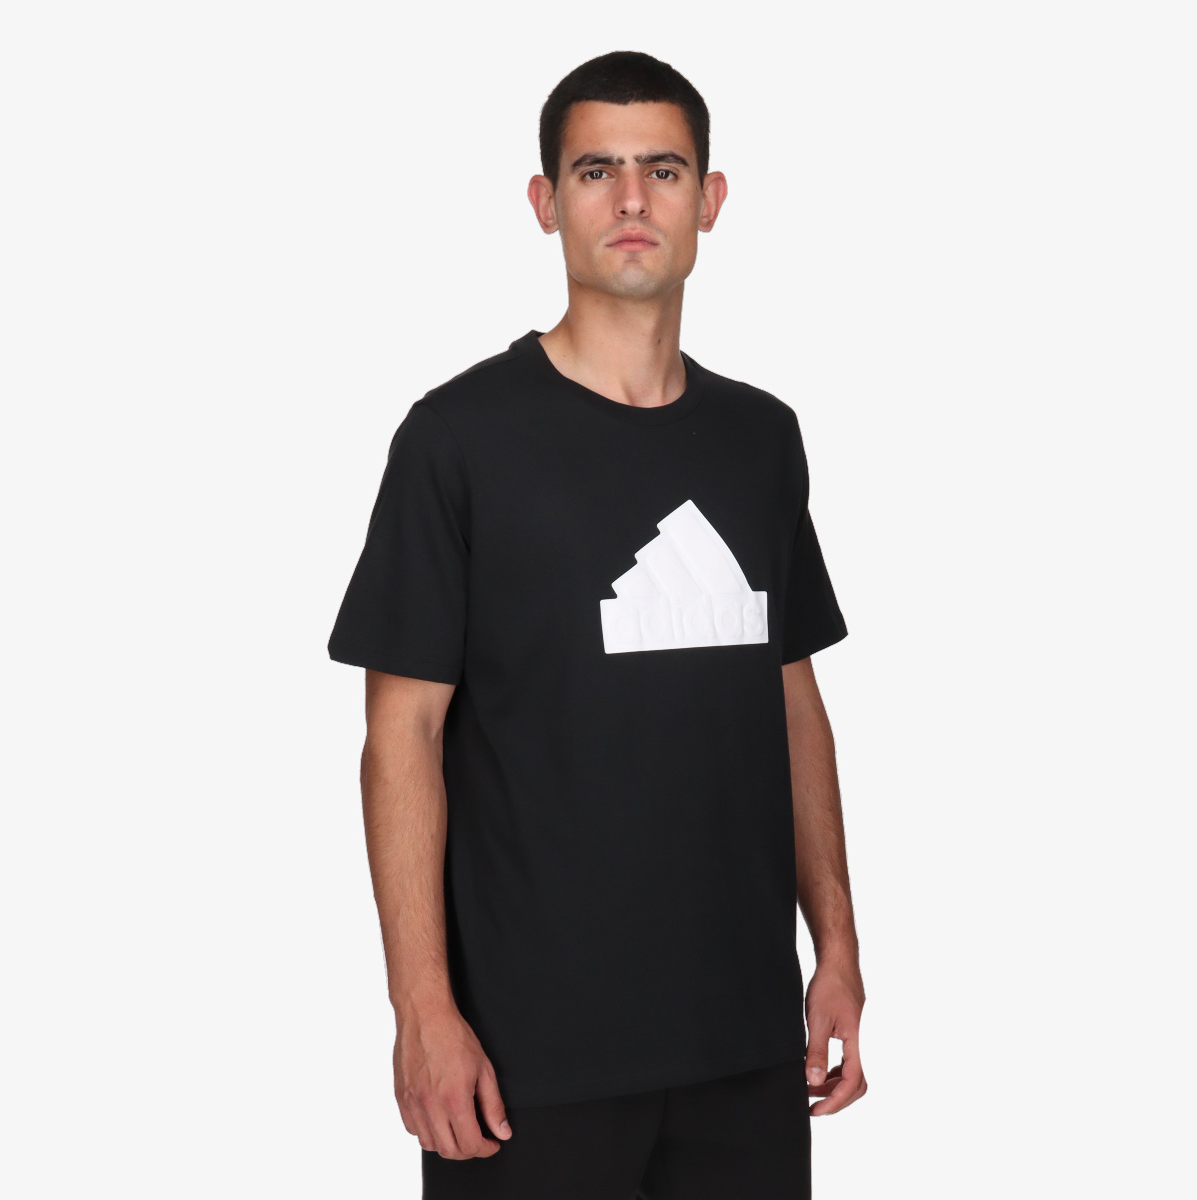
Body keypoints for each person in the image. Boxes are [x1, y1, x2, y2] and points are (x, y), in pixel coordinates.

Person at [327, 49, 867, 1200]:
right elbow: (401, 737)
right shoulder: (457, 441)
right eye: (595, 172)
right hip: (529, 1063)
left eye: (663, 170)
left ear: (710, 201)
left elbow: (792, 702)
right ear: (545, 202)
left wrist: (838, 950)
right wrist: (421, 1009)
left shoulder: (761, 440)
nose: (631, 200)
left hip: (743, 1048)